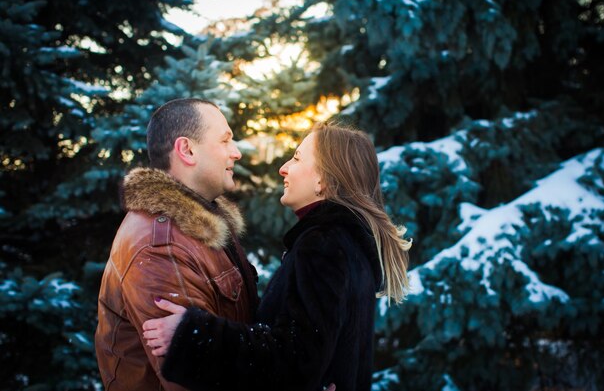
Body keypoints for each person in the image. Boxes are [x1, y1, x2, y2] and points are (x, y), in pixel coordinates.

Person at [142, 122, 412, 391]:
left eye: (296, 158)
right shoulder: (347, 244)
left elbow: (293, 363)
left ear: (324, 181)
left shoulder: (324, 245)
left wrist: (193, 337)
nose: (283, 168)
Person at [94, 98, 259, 391]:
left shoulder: (202, 224)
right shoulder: (161, 248)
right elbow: (197, 379)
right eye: (225, 141)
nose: (235, 153)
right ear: (187, 150)